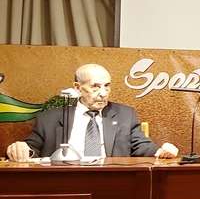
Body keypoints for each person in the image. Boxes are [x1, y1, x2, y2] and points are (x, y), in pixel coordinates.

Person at [6, 64, 178, 162]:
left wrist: (160, 151)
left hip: (111, 183)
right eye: (95, 86)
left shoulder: (125, 114)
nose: (103, 93)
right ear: (77, 87)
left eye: (107, 86)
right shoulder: (50, 118)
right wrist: (22, 149)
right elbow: (31, 148)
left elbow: (141, 145)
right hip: (64, 184)